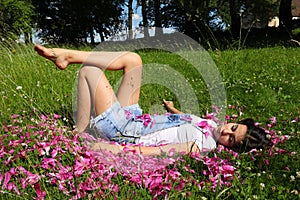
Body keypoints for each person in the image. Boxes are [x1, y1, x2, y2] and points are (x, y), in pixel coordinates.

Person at [34, 44, 271, 155]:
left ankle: (80, 131)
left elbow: (157, 152)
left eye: (231, 140)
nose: (225, 132)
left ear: (230, 149)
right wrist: (172, 108)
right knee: (134, 60)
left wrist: (108, 149)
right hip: (136, 119)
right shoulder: (210, 127)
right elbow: (190, 120)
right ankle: (68, 54)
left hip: (126, 131)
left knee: (91, 72)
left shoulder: (202, 146)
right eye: (233, 128)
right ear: (237, 121)